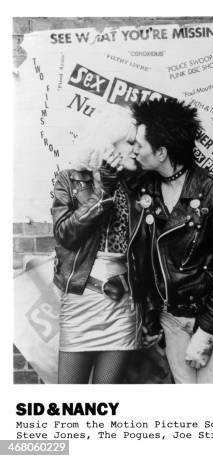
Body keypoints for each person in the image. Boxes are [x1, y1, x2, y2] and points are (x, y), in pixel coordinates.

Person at [130, 99, 213, 384]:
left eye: (139, 144)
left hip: (208, 318)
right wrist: (149, 314)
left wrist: (206, 332)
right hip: (169, 320)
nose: (133, 149)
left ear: (161, 152)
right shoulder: (144, 190)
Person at [52, 109, 156, 384]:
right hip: (80, 299)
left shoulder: (136, 186)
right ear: (109, 144)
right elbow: (66, 234)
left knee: (106, 398)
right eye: (130, 143)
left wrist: (148, 308)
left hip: (122, 302)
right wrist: (103, 192)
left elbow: (147, 252)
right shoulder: (70, 180)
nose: (136, 149)